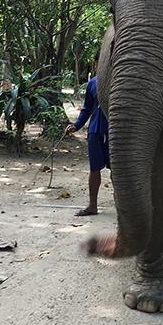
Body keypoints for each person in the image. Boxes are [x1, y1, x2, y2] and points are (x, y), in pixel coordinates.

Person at [65, 50, 110, 216]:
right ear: (96, 64)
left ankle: (123, 208)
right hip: (95, 131)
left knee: (118, 171)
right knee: (94, 169)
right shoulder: (92, 83)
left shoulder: (120, 82)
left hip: (115, 132)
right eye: (100, 62)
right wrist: (75, 126)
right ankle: (92, 205)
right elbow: (86, 109)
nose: (102, 65)